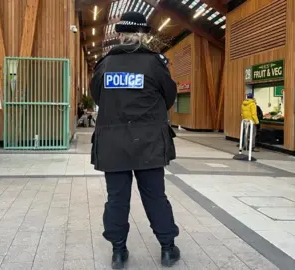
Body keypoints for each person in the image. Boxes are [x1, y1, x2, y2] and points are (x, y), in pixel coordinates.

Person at [89, 11, 180, 269]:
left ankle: (118, 252)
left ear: (120, 34)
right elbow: (169, 96)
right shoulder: (154, 63)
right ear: (143, 34)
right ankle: (166, 248)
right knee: (155, 196)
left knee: (116, 198)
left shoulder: (105, 64)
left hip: (113, 144)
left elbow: (98, 97)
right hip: (148, 142)